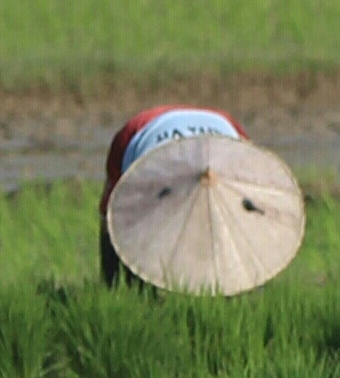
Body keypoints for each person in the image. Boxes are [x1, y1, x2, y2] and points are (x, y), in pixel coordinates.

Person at [98, 106, 248, 286]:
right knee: (123, 220)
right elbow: (113, 218)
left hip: (213, 123)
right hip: (142, 130)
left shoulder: (238, 150)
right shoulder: (149, 173)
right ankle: (120, 287)